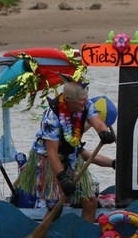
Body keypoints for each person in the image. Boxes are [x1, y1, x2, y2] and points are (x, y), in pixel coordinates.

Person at [17, 80, 116, 222]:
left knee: (90, 202)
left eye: (86, 98)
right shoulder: (51, 116)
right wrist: (63, 178)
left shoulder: (86, 105)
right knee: (56, 206)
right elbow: (52, 153)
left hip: (71, 156)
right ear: (69, 100)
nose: (85, 102)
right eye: (81, 99)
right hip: (48, 159)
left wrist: (103, 132)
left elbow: (98, 123)